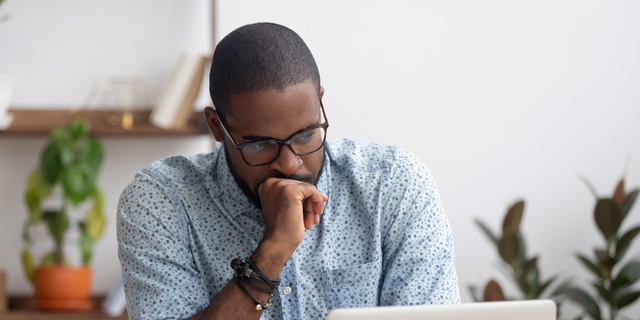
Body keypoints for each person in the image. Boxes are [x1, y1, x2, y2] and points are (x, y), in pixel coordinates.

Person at [117, 22, 460, 320]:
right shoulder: (161, 200)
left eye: (306, 134)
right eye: (259, 144)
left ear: (320, 101)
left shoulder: (392, 184)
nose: (290, 163)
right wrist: (273, 250)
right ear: (216, 127)